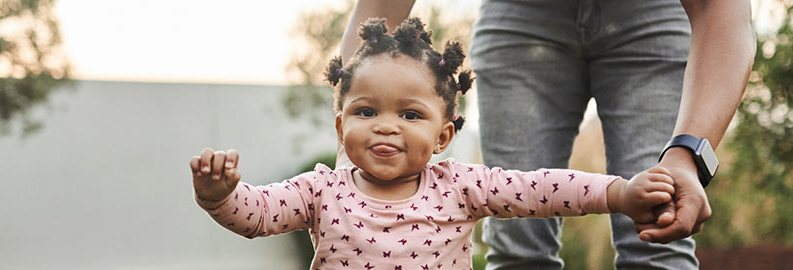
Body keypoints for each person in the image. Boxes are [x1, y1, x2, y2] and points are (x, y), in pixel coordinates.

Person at [189, 18, 681, 269]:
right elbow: (258, 214)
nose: (386, 126)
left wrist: (619, 193)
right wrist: (221, 195)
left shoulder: (463, 186)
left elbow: (543, 190)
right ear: (341, 129)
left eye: (410, 114)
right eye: (366, 111)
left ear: (443, 135)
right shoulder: (320, 191)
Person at [334, 0, 753, 269]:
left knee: (659, 231)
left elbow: (722, 10)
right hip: (520, 17)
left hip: (658, 13)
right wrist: (347, 162)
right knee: (518, 246)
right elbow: (379, 7)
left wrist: (687, 157)